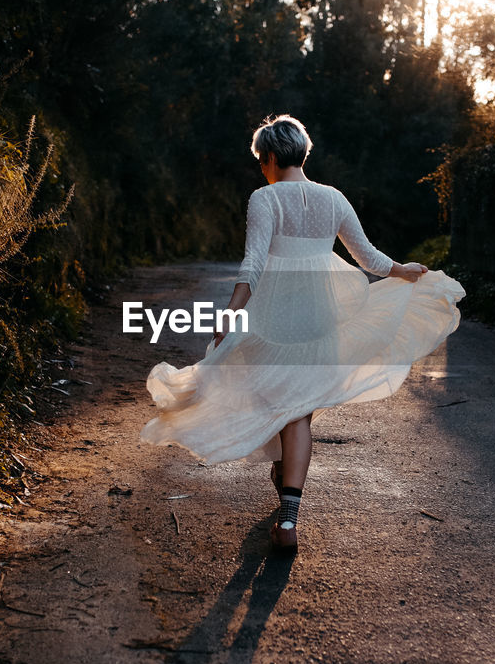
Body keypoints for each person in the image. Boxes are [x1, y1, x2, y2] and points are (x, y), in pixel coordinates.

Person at [141, 115, 464, 552]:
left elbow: (252, 265)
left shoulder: (265, 198)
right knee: (298, 410)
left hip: (274, 317)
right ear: (304, 154)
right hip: (322, 318)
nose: (261, 168)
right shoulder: (333, 197)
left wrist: (230, 314)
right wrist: (402, 271)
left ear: (271, 157)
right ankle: (287, 499)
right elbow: (366, 256)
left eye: (261, 161)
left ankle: (287, 507)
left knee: (281, 402)